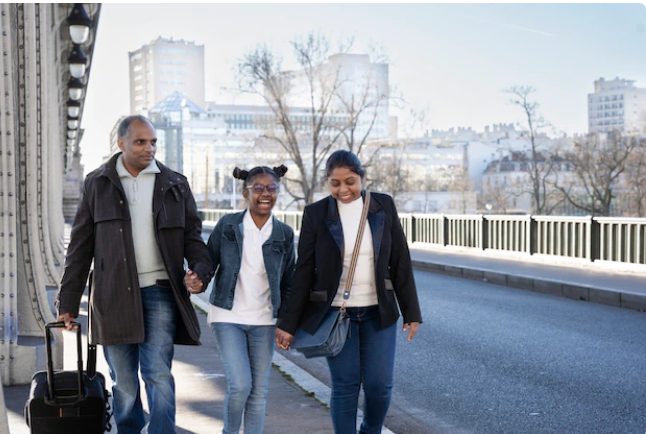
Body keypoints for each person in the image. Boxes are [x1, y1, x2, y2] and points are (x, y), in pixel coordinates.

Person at [55, 115, 213, 434]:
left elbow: (193, 236)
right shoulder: (97, 183)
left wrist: (200, 271)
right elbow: (80, 249)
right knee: (124, 382)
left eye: (153, 142)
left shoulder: (175, 184)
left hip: (161, 292)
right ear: (122, 143)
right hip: (112, 296)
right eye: (141, 141)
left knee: (158, 374)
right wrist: (67, 302)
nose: (149, 148)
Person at [275, 150, 422, 434]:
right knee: (346, 386)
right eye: (335, 183)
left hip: (379, 313)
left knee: (379, 387)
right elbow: (303, 271)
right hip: (335, 315)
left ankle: (370, 430)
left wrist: (411, 312)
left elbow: (400, 261)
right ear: (327, 183)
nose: (343, 189)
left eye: (350, 182)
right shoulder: (316, 214)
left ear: (362, 178)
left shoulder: (383, 206)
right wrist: (287, 324)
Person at [207, 165, 295, 434]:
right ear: (245, 192)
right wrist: (196, 277)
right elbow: (207, 262)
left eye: (271, 188)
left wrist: (287, 324)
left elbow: (290, 281)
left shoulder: (284, 233)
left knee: (259, 391)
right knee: (241, 385)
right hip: (227, 315)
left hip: (264, 320)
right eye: (258, 187)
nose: (265, 193)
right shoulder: (228, 225)